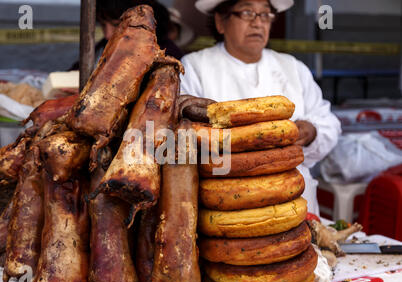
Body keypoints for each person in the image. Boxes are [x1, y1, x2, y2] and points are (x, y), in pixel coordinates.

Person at [180, 0, 341, 217]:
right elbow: (184, 137)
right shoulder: (194, 67)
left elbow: (329, 123)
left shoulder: (293, 67)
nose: (258, 24)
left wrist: (311, 131)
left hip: (295, 206)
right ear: (220, 21)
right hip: (227, 209)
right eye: (247, 13)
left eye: (265, 15)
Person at [69, 0, 183, 70]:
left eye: (117, 25)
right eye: (103, 25)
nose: (108, 34)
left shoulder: (168, 54)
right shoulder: (103, 47)